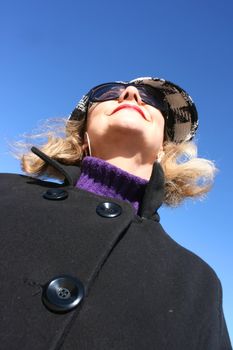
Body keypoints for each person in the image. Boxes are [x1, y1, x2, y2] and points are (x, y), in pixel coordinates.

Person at [0, 76, 231, 350]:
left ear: (164, 148)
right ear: (82, 137)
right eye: (108, 92)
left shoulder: (199, 284)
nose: (131, 93)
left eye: (151, 100)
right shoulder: (5, 190)